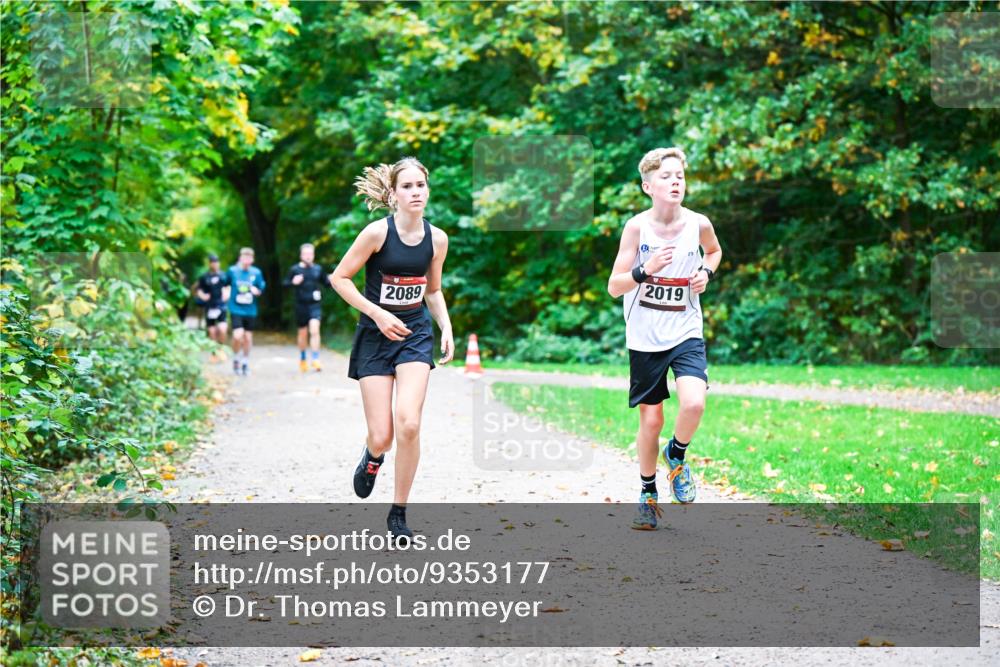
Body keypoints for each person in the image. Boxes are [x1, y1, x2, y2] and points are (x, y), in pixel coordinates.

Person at [329, 157, 454, 541]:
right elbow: (340, 278)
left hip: (414, 333)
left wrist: (446, 326)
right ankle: (373, 456)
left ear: (427, 190)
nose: (415, 192)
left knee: (410, 423)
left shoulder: (438, 239)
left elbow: (431, 290)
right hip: (374, 336)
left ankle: (398, 512)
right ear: (394, 194)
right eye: (407, 187)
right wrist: (377, 313)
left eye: (421, 185)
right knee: (382, 435)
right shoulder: (375, 234)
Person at [607, 147, 722, 530]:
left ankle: (677, 454)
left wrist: (706, 270)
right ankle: (647, 494)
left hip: (686, 329)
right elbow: (613, 286)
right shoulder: (637, 228)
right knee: (651, 419)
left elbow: (715, 251)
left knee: (694, 403)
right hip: (644, 337)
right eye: (667, 176)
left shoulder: (699, 223)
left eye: (680, 176)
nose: (676, 182)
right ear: (647, 186)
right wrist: (645, 270)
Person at [283, 243, 328, 372]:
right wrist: (293, 282)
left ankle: (315, 359)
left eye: (310, 254)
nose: (308, 256)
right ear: (301, 255)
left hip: (314, 304)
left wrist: (334, 279)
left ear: (313, 255)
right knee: (302, 334)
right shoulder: (295, 270)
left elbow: (327, 283)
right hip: (300, 305)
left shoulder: (318, 269)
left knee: (314, 330)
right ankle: (303, 359)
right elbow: (284, 284)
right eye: (306, 254)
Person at [226, 247, 266, 376]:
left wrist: (257, 291)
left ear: (252, 259)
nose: (247, 260)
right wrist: (225, 293)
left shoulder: (256, 273)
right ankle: (236, 357)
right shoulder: (232, 271)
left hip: (250, 310)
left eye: (250, 257)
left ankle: (245, 361)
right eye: (245, 257)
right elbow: (225, 284)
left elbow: (261, 288)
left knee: (248, 338)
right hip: (235, 308)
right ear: (240, 258)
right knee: (238, 335)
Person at [195, 253, 231, 361]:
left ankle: (221, 349)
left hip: (221, 305)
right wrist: (203, 296)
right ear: (210, 264)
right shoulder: (204, 277)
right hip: (210, 306)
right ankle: (214, 353)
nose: (215, 264)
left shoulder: (224, 276)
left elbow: (229, 286)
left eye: (217, 262)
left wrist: (227, 293)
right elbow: (199, 289)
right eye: (213, 262)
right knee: (212, 331)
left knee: (223, 329)